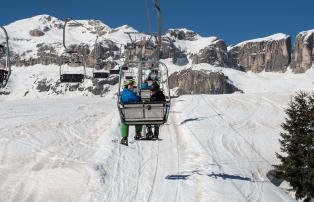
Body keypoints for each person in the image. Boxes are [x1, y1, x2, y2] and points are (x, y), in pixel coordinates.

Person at [120, 79, 143, 146]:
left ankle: (124, 138)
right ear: (128, 86)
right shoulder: (130, 94)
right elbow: (138, 99)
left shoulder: (123, 93)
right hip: (134, 115)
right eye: (131, 85)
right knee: (140, 118)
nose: (133, 87)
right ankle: (138, 133)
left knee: (125, 122)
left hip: (127, 115)